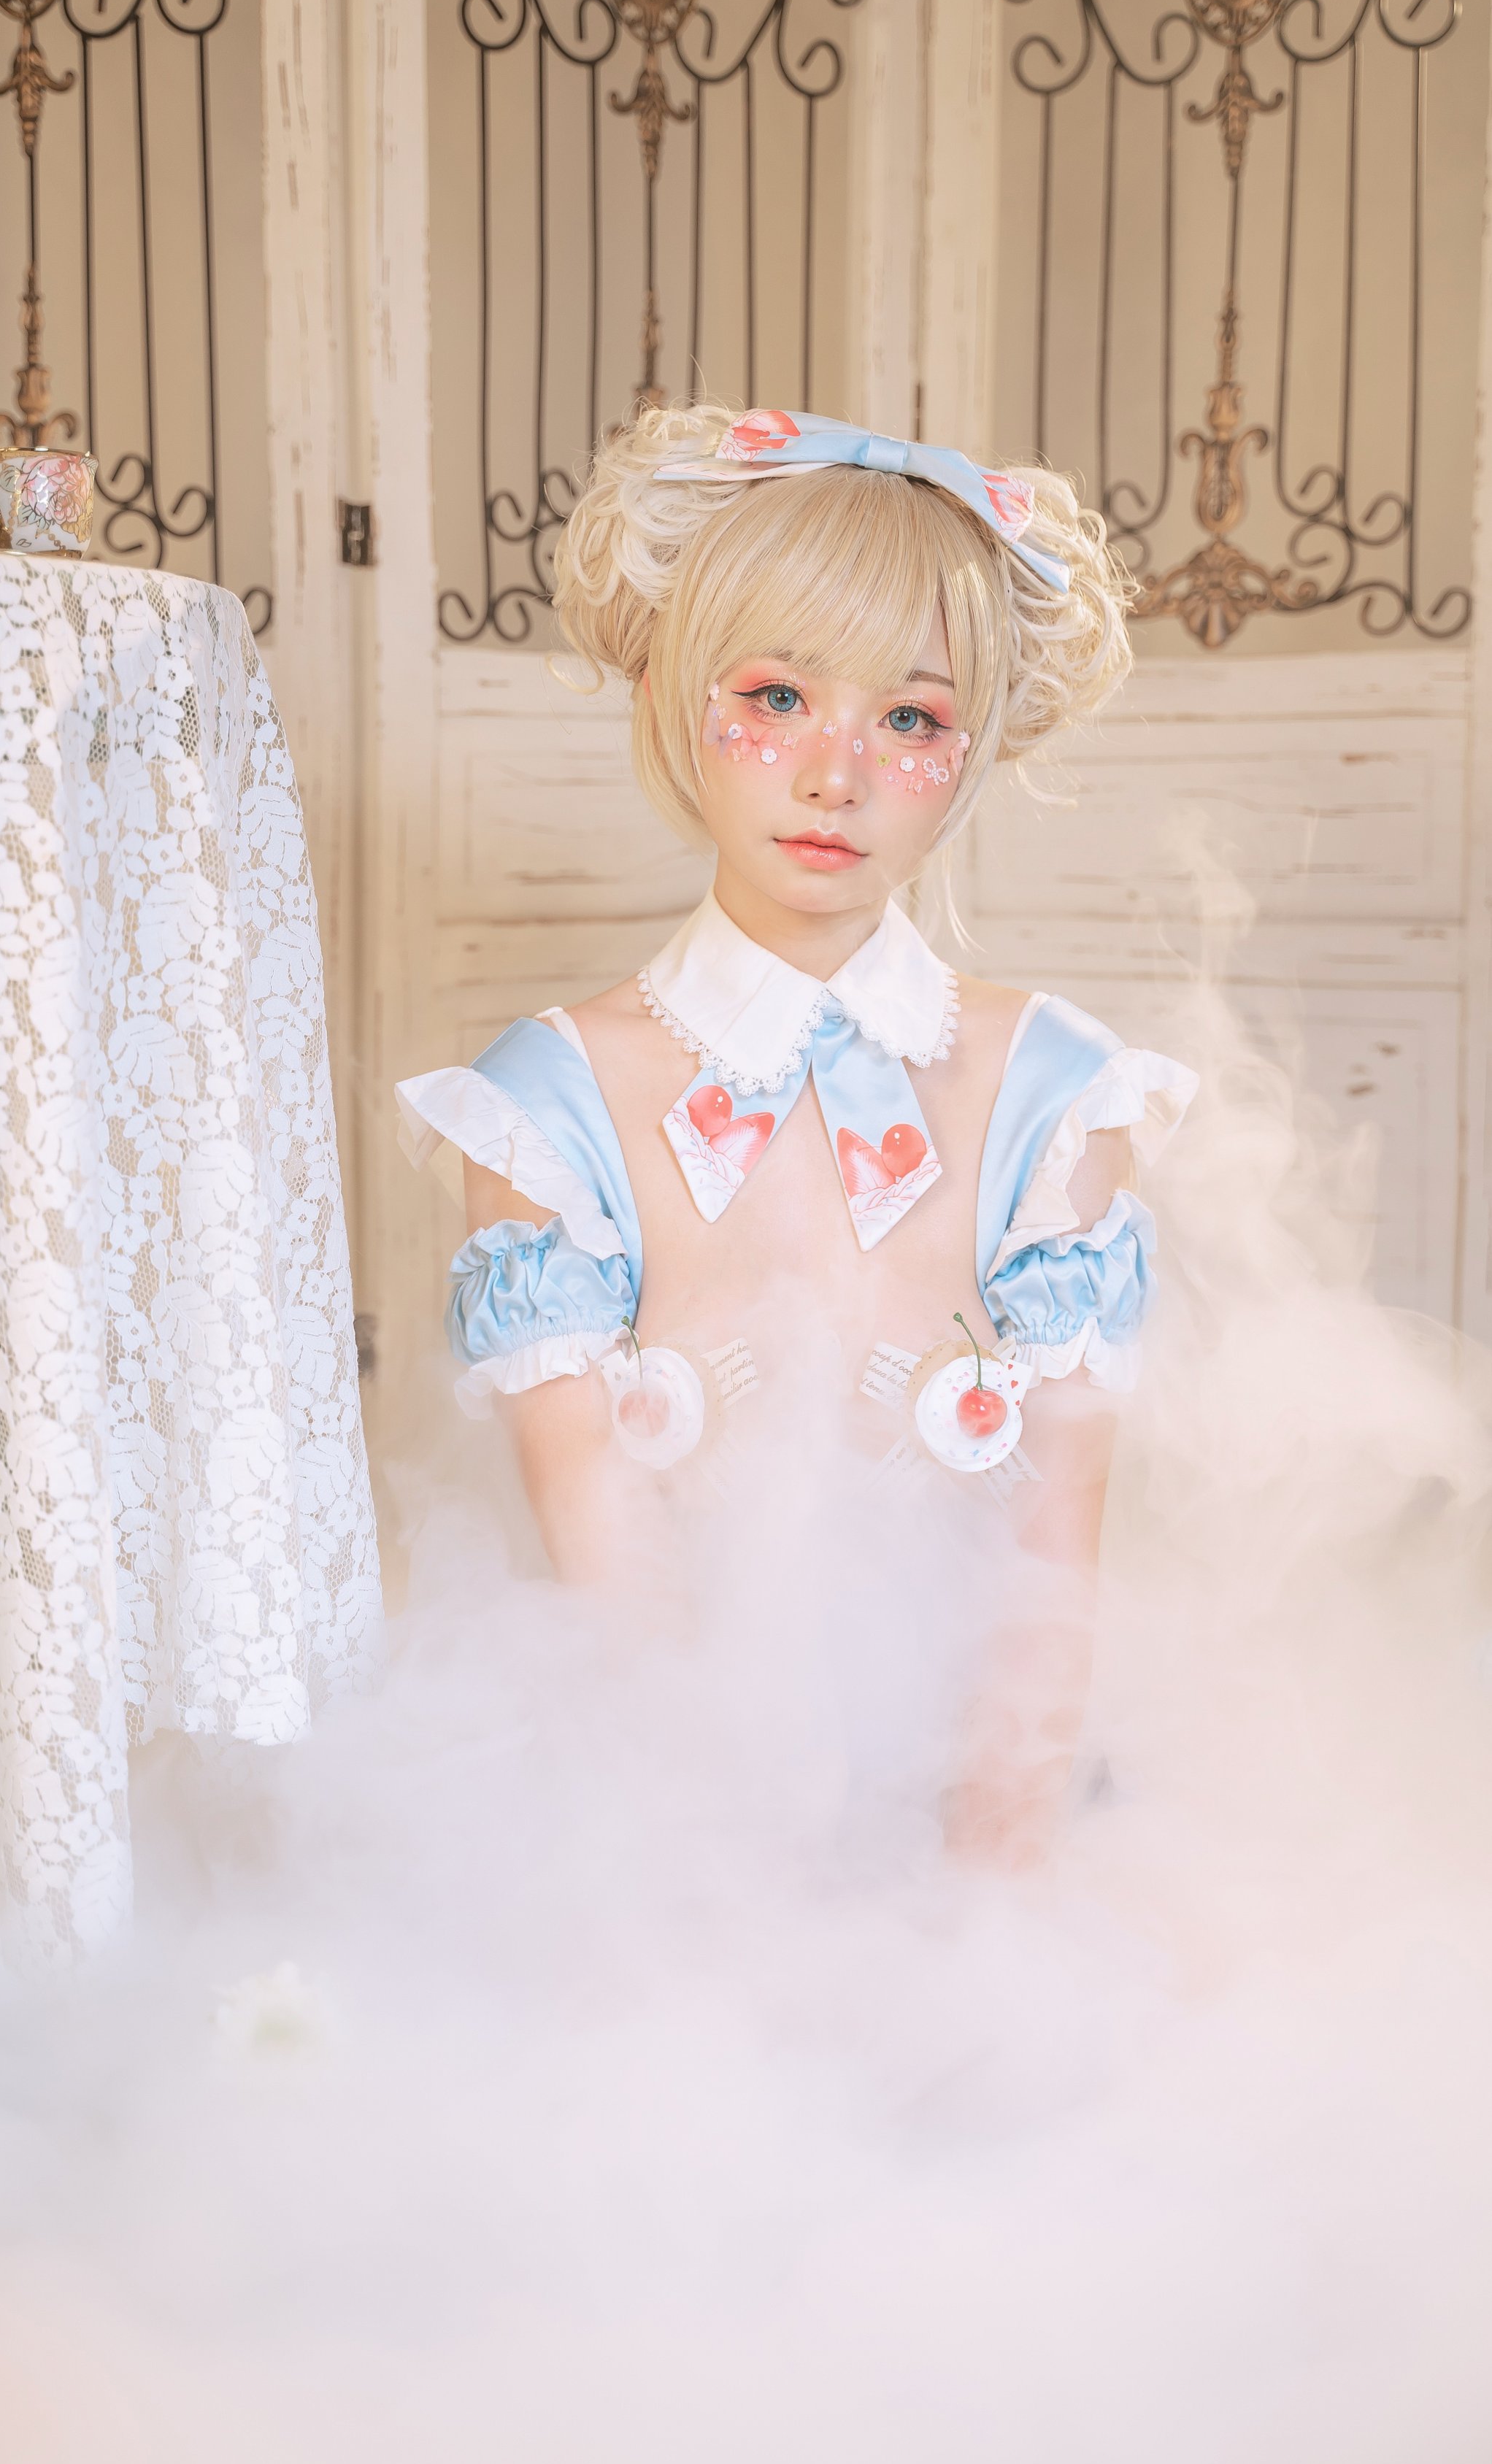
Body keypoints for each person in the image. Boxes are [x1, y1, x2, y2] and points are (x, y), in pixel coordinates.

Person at [397, 405, 1195, 1864]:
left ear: (971, 747)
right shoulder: (545, 1105)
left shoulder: (1059, 1092)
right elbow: (609, 1574)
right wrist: (733, 1907)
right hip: (659, 1812)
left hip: (993, 1802)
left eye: (910, 718)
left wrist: (985, 1902)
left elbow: (1051, 1564)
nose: (837, 774)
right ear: (673, 694)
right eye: (775, 696)